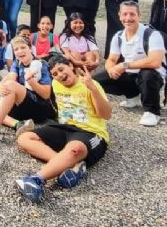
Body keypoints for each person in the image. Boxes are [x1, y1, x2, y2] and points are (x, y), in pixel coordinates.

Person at [15, 54, 111, 203]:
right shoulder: (55, 84)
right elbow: (47, 98)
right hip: (65, 127)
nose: (60, 75)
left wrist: (93, 89)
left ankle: (36, 179)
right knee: (24, 138)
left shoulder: (90, 84)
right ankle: (68, 165)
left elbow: (106, 115)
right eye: (55, 73)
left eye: (61, 69)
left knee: (75, 149)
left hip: (90, 132)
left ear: (70, 66)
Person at [95, 1, 166, 126]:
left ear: (139, 15)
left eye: (132, 14)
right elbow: (111, 60)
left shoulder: (152, 35)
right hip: (130, 75)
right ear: (119, 16)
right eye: (125, 14)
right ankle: (132, 95)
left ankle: (152, 111)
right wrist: (111, 70)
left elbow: (155, 62)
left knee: (147, 75)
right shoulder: (118, 36)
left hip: (151, 76)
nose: (128, 18)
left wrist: (124, 65)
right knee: (95, 81)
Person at [0, 36, 56, 144]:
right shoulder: (17, 63)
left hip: (40, 108)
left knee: (10, 86)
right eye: (16, 49)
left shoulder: (41, 64)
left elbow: (46, 95)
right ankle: (18, 124)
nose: (19, 51)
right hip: (23, 107)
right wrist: (0, 85)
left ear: (30, 49)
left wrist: (32, 81)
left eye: (23, 47)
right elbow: (11, 77)